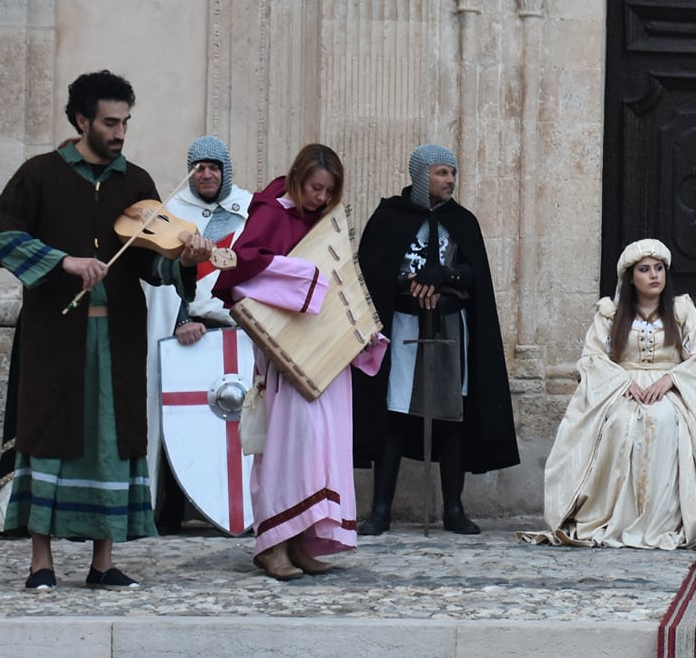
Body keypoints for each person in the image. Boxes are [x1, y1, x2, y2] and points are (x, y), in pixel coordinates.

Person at [0, 71, 211, 590]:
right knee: (49, 435)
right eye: (109, 122)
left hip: (118, 338)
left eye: (125, 122)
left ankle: (103, 562)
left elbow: (153, 265)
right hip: (54, 339)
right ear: (82, 120)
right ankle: (41, 562)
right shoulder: (40, 174)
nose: (120, 132)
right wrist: (62, 261)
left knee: (112, 439)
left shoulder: (138, 184)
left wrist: (186, 259)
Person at [214, 145, 385, 580]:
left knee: (324, 445)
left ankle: (304, 541)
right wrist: (305, 279)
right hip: (287, 354)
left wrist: (357, 326)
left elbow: (341, 282)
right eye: (315, 188)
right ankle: (273, 544)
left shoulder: (325, 224)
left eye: (329, 191)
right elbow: (241, 273)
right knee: (290, 444)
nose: (321, 198)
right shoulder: (270, 213)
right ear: (297, 179)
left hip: (326, 354)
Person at [353, 144, 520, 536]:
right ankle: (380, 510)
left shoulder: (462, 221)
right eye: (442, 173)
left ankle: (453, 508)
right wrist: (408, 282)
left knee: (451, 415)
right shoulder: (389, 217)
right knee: (394, 412)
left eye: (452, 173)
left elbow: (474, 273)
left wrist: (445, 275)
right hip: (402, 325)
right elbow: (372, 270)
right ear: (420, 175)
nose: (450, 180)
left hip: (449, 325)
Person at [535, 239, 696, 548]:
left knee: (665, 420)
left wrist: (671, 379)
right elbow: (592, 358)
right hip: (620, 388)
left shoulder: (682, 311)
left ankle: (663, 519)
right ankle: (616, 517)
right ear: (631, 277)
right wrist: (620, 381)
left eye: (659, 268)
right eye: (645, 270)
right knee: (620, 422)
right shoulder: (610, 313)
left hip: (671, 389)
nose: (654, 275)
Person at [146, 135, 254, 533]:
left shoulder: (249, 210)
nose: (206, 175)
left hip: (241, 329)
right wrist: (178, 322)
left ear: (225, 171)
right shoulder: (172, 213)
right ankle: (170, 510)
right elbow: (162, 280)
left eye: (213, 168)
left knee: (242, 417)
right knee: (182, 422)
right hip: (190, 331)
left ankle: (247, 508)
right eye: (198, 168)